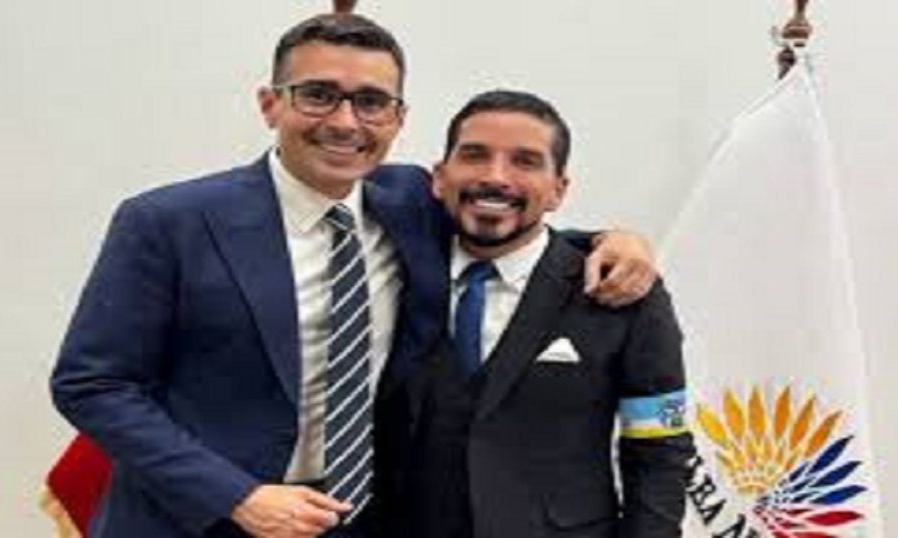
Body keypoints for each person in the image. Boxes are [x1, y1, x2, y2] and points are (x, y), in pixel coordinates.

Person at [50, 14, 656, 538]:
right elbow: (92, 384)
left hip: (360, 518)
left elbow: (508, 222)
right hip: (198, 519)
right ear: (270, 104)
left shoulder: (411, 202)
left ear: (397, 117)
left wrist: (611, 241)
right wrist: (237, 496)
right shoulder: (168, 222)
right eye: (318, 94)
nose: (345, 122)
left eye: (370, 101)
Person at [395, 90, 695, 538]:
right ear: (440, 177)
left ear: (558, 190)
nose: (495, 177)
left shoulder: (622, 288)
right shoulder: (395, 268)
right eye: (475, 155)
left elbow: (658, 448)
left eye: (525, 161)